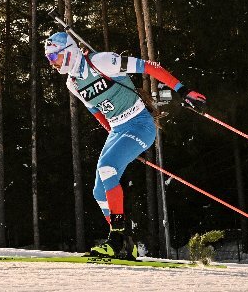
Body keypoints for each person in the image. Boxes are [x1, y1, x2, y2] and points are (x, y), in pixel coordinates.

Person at [43, 30, 206, 260]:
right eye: (49, 59)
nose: (52, 63)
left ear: (67, 52)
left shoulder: (102, 61)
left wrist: (183, 91)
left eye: (53, 57)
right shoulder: (72, 84)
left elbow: (150, 67)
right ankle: (127, 241)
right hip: (118, 130)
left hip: (140, 124)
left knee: (107, 167)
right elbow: (96, 111)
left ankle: (115, 240)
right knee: (99, 190)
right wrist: (115, 136)